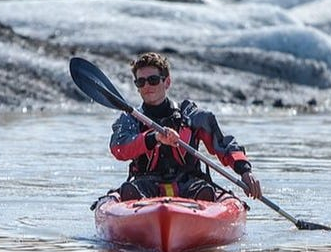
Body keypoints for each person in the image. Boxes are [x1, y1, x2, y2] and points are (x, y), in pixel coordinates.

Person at [109, 52, 262, 202]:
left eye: (153, 80)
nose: (147, 85)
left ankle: (201, 218)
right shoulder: (130, 119)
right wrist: (154, 138)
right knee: (129, 190)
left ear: (167, 82)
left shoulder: (191, 116)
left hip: (189, 184)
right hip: (145, 184)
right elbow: (119, 149)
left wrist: (245, 171)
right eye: (141, 82)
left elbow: (224, 145)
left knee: (205, 191)